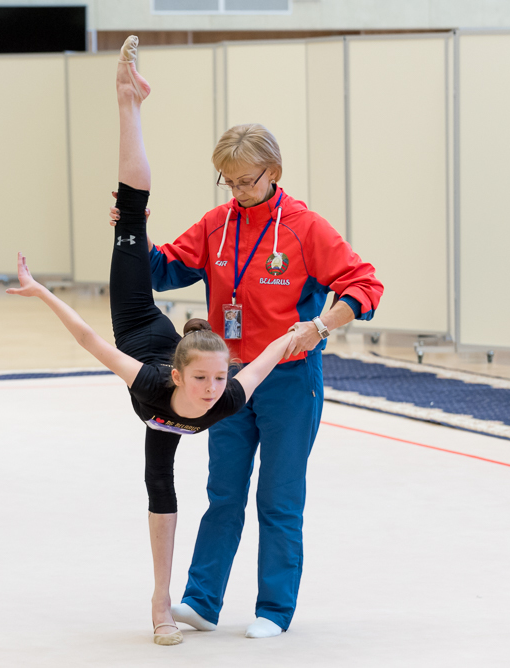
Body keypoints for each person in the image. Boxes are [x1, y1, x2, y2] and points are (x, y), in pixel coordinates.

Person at [7, 35, 296, 646]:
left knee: (131, 214)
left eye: (219, 380)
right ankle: (128, 98)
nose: (216, 389)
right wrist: (41, 292)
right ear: (177, 379)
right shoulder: (150, 380)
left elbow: (268, 356)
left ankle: (128, 100)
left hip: (149, 328)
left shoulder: (225, 397)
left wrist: (309, 331)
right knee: (130, 212)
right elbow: (87, 337)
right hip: (143, 331)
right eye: (206, 381)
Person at [111, 126, 383, 639]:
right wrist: (133, 230)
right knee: (224, 492)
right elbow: (162, 269)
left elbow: (365, 283)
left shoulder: (305, 227)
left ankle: (274, 609)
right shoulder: (218, 224)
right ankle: (201, 600)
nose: (236, 190)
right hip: (226, 383)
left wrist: (321, 326)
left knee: (278, 497)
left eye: (245, 180)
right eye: (227, 181)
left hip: (287, 381)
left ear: (273, 173)